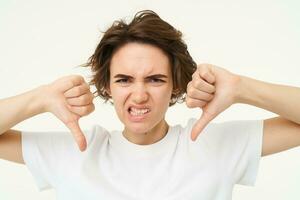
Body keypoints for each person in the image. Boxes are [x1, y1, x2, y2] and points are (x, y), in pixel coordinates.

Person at [0, 9, 300, 200]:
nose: (140, 95)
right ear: (107, 86)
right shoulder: (75, 152)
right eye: (124, 80)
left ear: (175, 86)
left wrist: (242, 88)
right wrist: (37, 99)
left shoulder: (212, 145)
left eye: (155, 79)